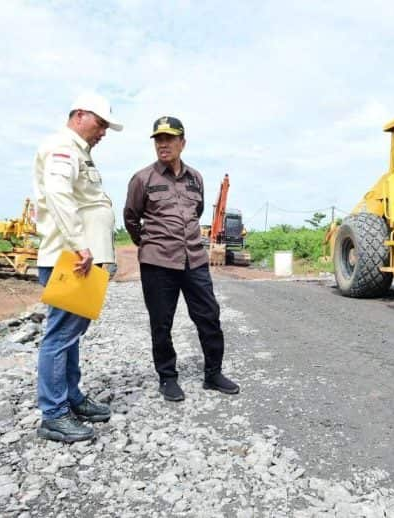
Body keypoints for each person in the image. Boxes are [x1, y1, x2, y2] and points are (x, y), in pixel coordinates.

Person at [123, 116, 240, 402]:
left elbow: (196, 212)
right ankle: (168, 377)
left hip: (194, 260)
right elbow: (130, 217)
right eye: (158, 139)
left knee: (209, 317)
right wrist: (150, 243)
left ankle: (213, 374)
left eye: (169, 139)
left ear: (182, 143)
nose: (163, 144)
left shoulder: (195, 178)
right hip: (158, 262)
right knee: (161, 322)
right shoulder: (142, 179)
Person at [32, 92, 123, 442]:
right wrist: (80, 244)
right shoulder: (62, 147)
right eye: (100, 124)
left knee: (71, 336)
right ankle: (54, 414)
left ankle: (71, 398)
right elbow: (58, 193)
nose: (102, 133)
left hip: (82, 258)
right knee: (59, 337)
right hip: (71, 259)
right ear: (80, 115)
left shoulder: (79, 152)